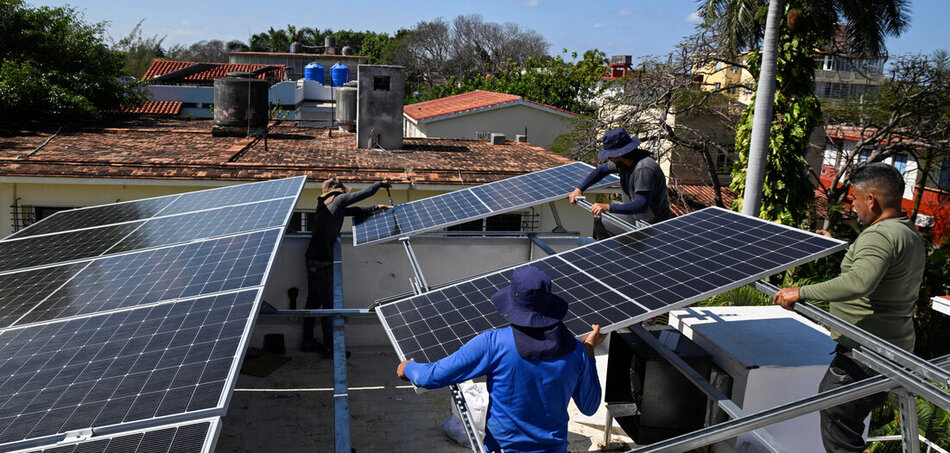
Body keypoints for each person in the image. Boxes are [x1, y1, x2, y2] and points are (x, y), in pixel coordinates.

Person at [772, 163, 925, 453]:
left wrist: (801, 292)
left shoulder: (878, 236)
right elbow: (878, 273)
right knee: (846, 424)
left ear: (872, 200)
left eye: (855, 198)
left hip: (866, 353)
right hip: (895, 347)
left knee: (837, 421)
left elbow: (860, 282)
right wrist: (842, 253)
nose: (852, 206)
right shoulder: (906, 232)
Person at [396, 265, 606, 453]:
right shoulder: (576, 350)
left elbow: (431, 377)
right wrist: (588, 351)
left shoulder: (494, 344)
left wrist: (408, 368)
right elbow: (590, 406)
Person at [303, 177, 390, 355]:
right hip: (321, 262)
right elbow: (363, 195)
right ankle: (330, 347)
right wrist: (380, 184)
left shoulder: (327, 206)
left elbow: (355, 210)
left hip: (312, 259)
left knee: (312, 302)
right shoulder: (338, 201)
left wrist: (376, 208)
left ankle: (307, 341)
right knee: (328, 307)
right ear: (338, 192)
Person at [568, 128, 672, 235]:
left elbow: (641, 204)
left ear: (619, 154)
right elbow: (601, 170)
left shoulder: (643, 169)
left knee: (606, 221)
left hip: (652, 226)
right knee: (602, 223)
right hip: (634, 220)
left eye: (610, 154)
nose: (608, 158)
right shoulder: (623, 163)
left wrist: (607, 207)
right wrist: (579, 188)